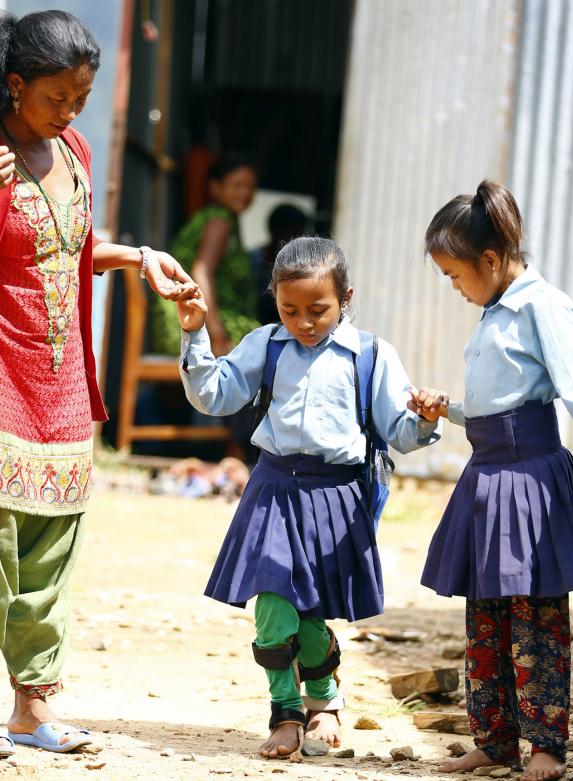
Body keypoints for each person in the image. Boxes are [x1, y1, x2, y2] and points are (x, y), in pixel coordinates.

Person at [0, 10, 196, 757]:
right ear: (14, 84)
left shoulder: (72, 149)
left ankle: (33, 708)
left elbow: (62, 247)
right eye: (55, 99)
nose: (69, 113)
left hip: (61, 381)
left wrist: (136, 258)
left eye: (80, 100)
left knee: (52, 550)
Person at [175, 236, 444, 759]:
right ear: (274, 301)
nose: (303, 322)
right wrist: (194, 334)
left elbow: (400, 431)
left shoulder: (370, 355)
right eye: (289, 309)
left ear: (346, 297)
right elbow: (215, 393)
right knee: (274, 604)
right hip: (274, 488)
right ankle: (285, 711)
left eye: (318, 310)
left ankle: (324, 699)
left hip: (337, 497)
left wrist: (425, 418)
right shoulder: (266, 345)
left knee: (312, 612)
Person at [412, 181, 573, 781]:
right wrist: (449, 409)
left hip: (530, 479)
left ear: (490, 260)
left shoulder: (543, 306)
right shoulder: (492, 313)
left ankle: (546, 745)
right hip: (487, 476)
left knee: (535, 614)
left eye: (456, 275)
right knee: (484, 613)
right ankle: (493, 739)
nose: (455, 288)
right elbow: (497, 401)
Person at [151, 152, 260, 357]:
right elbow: (202, 272)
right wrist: (217, 335)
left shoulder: (220, 218)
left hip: (183, 319)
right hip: (186, 323)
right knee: (260, 345)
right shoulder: (220, 220)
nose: (245, 193)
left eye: (250, 187)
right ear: (216, 187)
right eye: (237, 186)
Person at [249, 203, 309, 324]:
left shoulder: (306, 265)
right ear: (274, 230)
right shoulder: (255, 259)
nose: (295, 240)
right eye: (292, 232)